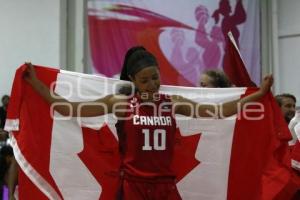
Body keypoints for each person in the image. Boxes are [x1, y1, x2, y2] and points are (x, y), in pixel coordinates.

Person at [23, 47, 273, 200]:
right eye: (145, 80)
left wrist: (258, 95)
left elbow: (219, 111)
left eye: (155, 77)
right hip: (133, 187)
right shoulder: (120, 103)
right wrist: (36, 84)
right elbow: (69, 108)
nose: (152, 84)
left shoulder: (172, 102)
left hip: (165, 186)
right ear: (132, 79)